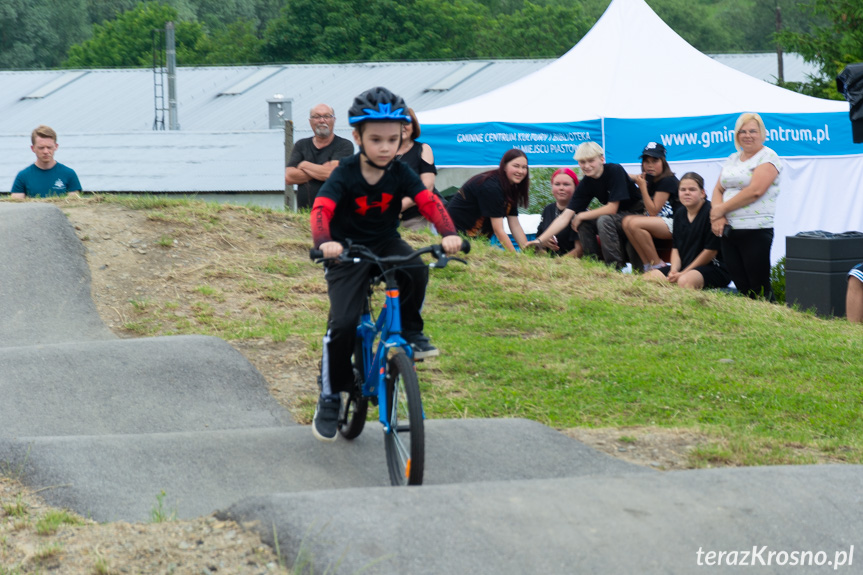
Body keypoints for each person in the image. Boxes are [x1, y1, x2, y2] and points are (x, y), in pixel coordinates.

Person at [309, 87, 461, 442]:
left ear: (402, 137)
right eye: (375, 139)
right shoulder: (345, 172)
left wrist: (449, 233)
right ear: (357, 136)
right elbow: (321, 209)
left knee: (416, 267)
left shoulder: (400, 172)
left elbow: (429, 201)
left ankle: (409, 328)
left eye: (392, 139)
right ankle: (330, 394)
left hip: (384, 241)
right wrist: (324, 243)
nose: (384, 147)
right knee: (343, 322)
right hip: (345, 250)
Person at [527, 141, 643, 268]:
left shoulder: (614, 170)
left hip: (636, 213)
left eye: (590, 161)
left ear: (602, 159)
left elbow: (612, 208)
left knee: (602, 220)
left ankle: (614, 268)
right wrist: (539, 241)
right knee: (585, 223)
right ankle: (591, 264)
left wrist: (581, 215)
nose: (586, 166)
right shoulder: (586, 183)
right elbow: (564, 217)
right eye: (582, 162)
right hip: (616, 217)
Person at [709, 112, 782, 300]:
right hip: (729, 231)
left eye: (752, 131)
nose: (747, 135)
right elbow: (718, 189)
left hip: (755, 230)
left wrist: (720, 209)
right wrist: (718, 216)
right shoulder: (732, 158)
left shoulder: (768, 156)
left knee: (759, 286)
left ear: (761, 133)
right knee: (741, 284)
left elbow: (755, 191)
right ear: (736, 135)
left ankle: (773, 320)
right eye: (742, 131)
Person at [644, 172, 730, 290]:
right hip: (684, 266)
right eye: (683, 189)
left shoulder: (711, 212)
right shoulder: (680, 213)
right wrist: (674, 270)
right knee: (647, 278)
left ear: (703, 193)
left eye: (692, 189)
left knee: (684, 281)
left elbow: (710, 252)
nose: (687, 193)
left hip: (713, 268)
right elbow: (676, 248)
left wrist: (684, 272)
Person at [446, 149, 531, 252]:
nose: (520, 171)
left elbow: (515, 225)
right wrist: (515, 257)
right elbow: (498, 230)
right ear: (504, 166)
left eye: (524, 167)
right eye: (516, 166)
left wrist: (528, 253)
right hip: (456, 236)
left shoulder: (511, 188)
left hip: (477, 240)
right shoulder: (492, 187)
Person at [621, 142, 680, 271]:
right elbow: (629, 176)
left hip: (677, 223)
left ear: (663, 162)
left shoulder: (668, 180)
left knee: (635, 223)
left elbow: (653, 211)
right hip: (662, 222)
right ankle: (647, 265)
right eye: (646, 161)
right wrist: (636, 178)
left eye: (654, 161)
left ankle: (658, 264)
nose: (650, 165)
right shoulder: (652, 180)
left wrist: (642, 187)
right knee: (626, 222)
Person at [285, 103, 355, 209]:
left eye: (327, 116)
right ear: (310, 121)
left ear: (334, 120)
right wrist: (323, 169)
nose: (322, 120)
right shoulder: (301, 145)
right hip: (305, 216)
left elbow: (333, 174)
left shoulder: (345, 146)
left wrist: (304, 165)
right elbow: (289, 177)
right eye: (317, 117)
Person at [396, 108, 439, 230]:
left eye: (406, 123)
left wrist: (401, 205)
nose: (402, 127)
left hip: (415, 220)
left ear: (413, 125)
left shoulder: (423, 149)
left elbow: (427, 186)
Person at [11, 125, 82, 198]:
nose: (46, 151)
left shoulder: (69, 174)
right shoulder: (23, 176)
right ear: (33, 148)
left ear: (56, 147)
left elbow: (74, 205)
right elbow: (16, 206)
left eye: (49, 147)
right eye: (41, 148)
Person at [535, 168, 581, 257]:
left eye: (566, 184)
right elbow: (537, 241)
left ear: (576, 188)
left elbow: (580, 250)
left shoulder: (581, 212)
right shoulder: (548, 209)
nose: (561, 188)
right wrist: (544, 243)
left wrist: (558, 264)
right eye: (557, 184)